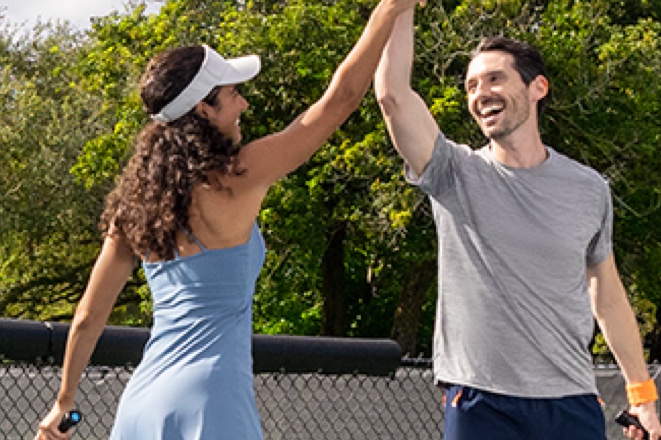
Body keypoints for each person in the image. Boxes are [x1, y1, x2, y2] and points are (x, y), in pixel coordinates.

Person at [35, 1, 422, 439]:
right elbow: (340, 100)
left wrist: (64, 402)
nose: (245, 102)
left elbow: (88, 316)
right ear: (203, 110)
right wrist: (387, 11)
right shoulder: (238, 178)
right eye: (233, 93)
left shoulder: (136, 206)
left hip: (142, 405)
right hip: (211, 398)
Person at [374, 9, 661, 440]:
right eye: (471, 85)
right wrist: (400, 7)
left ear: (537, 88)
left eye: (494, 79)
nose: (480, 93)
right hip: (480, 402)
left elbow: (607, 294)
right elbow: (392, 96)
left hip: (571, 401)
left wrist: (641, 394)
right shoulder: (454, 173)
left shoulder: (589, 188)